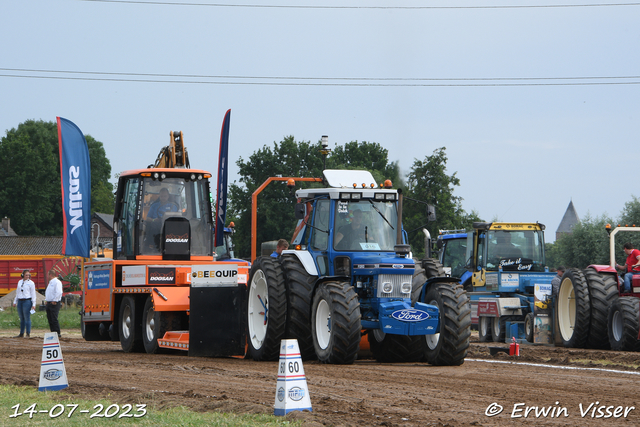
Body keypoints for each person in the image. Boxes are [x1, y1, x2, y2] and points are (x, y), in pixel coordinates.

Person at [12, 270, 37, 338]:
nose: (27, 276)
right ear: (23, 275)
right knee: (21, 318)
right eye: (26, 275)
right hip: (20, 301)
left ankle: (28, 333)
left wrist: (34, 304)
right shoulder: (20, 282)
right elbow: (18, 292)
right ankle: (21, 333)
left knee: (27, 318)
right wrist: (15, 301)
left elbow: (33, 294)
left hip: (27, 301)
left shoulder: (31, 283)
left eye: (28, 275)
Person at [45, 270, 63, 337]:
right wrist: (47, 300)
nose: (47, 276)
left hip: (54, 303)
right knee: (50, 318)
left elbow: (58, 292)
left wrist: (55, 300)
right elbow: (49, 292)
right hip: (49, 302)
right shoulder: (50, 283)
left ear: (50, 275)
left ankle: (57, 333)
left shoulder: (57, 282)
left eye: (48, 275)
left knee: (54, 318)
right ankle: (52, 332)